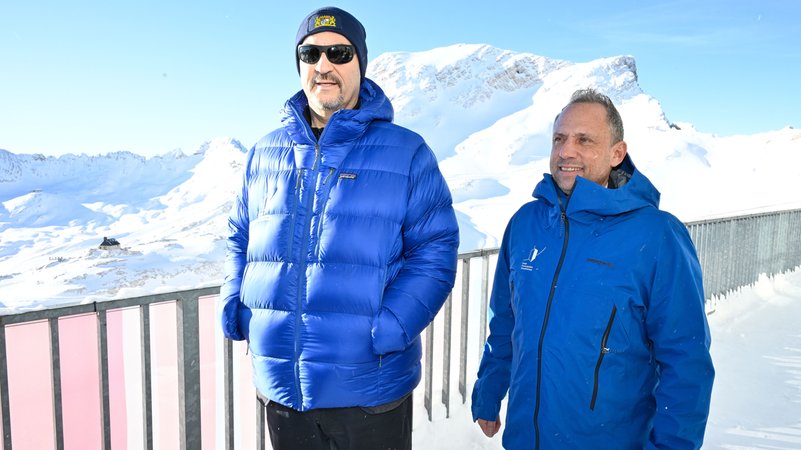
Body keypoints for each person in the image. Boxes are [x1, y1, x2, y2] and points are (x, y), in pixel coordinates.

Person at [217, 6, 459, 450]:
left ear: (360, 64)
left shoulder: (406, 152)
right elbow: (240, 236)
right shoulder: (265, 153)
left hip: (368, 390)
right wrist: (236, 301)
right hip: (283, 390)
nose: (323, 65)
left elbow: (435, 250)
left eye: (339, 52)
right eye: (310, 53)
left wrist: (388, 329)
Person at [471, 88, 714, 449]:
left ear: (618, 153)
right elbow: (506, 320)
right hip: (526, 438)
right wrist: (489, 389)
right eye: (559, 139)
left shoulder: (658, 235)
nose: (567, 151)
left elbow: (685, 360)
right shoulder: (526, 223)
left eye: (584, 140)